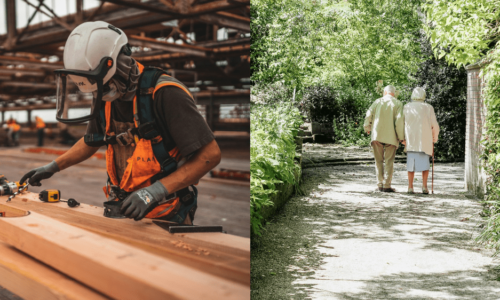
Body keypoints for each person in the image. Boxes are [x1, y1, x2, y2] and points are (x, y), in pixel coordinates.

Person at [20, 21, 221, 224]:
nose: (101, 93)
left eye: (105, 86)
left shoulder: (165, 93)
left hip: (167, 212)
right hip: (122, 208)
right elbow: (91, 141)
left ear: (120, 65)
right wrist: (53, 166)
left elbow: (210, 155)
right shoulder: (103, 95)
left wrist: (155, 192)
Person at [363, 85, 404, 192]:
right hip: (391, 136)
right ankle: (386, 185)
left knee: (378, 161)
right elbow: (399, 121)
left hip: (377, 135)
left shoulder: (377, 102)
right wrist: (401, 137)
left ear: (385, 92)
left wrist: (367, 127)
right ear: (394, 93)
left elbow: (368, 114)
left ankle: (380, 184)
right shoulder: (398, 103)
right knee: (389, 161)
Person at [402, 87, 439, 194]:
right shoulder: (428, 107)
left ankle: (410, 187)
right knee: (425, 165)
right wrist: (434, 138)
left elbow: (402, 123)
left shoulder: (407, 107)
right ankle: (424, 186)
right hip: (425, 140)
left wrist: (402, 138)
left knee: (410, 165)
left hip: (411, 139)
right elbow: (435, 125)